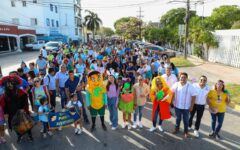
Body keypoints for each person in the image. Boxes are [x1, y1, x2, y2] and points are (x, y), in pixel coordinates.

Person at [1, 75, 33, 143]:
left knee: (26, 124)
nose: (10, 85)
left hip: (21, 111)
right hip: (12, 113)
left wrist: (23, 109)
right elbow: (5, 105)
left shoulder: (20, 91)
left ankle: (30, 135)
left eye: (11, 83)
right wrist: (6, 113)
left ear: (14, 83)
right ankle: (20, 135)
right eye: (8, 84)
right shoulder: (5, 94)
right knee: (15, 125)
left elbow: (25, 101)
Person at [171, 72, 197, 138]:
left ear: (187, 78)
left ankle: (186, 131)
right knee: (177, 119)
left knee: (186, 120)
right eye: (182, 77)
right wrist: (171, 101)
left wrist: (191, 106)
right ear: (179, 78)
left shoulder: (190, 86)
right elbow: (172, 92)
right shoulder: (176, 84)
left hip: (186, 107)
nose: (183, 78)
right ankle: (177, 129)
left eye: (184, 77)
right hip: (177, 106)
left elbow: (194, 96)